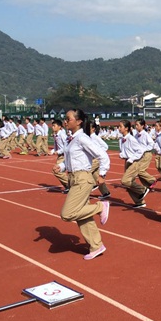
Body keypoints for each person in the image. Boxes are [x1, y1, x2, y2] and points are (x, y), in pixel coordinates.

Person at [52, 109, 110, 260]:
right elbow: (72, 159)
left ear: (78, 122)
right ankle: (96, 245)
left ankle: (100, 206)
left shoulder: (82, 138)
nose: (65, 121)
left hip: (83, 179)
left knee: (67, 214)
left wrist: (102, 173)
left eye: (68, 119)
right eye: (65, 119)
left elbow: (102, 155)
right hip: (74, 178)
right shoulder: (70, 139)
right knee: (82, 215)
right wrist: (62, 167)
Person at [119, 120, 151, 208]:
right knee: (129, 183)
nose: (119, 128)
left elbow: (140, 150)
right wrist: (122, 155)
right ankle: (139, 202)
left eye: (120, 126)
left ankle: (142, 189)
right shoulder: (121, 139)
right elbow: (124, 151)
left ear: (126, 128)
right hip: (127, 162)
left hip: (134, 162)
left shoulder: (131, 139)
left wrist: (132, 158)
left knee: (125, 181)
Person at [89, 122, 112, 200]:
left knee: (86, 171)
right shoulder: (88, 137)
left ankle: (93, 185)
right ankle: (105, 192)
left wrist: (99, 152)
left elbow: (105, 146)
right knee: (96, 176)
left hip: (96, 159)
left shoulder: (95, 137)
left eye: (88, 127)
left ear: (93, 129)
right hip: (92, 158)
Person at [51, 119, 70, 193]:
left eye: (54, 126)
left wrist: (58, 151)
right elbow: (57, 145)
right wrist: (53, 151)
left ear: (59, 127)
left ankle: (70, 185)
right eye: (52, 126)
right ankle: (68, 187)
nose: (52, 127)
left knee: (56, 171)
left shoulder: (62, 134)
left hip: (63, 155)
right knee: (57, 171)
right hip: (59, 155)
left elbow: (66, 145)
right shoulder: (56, 134)